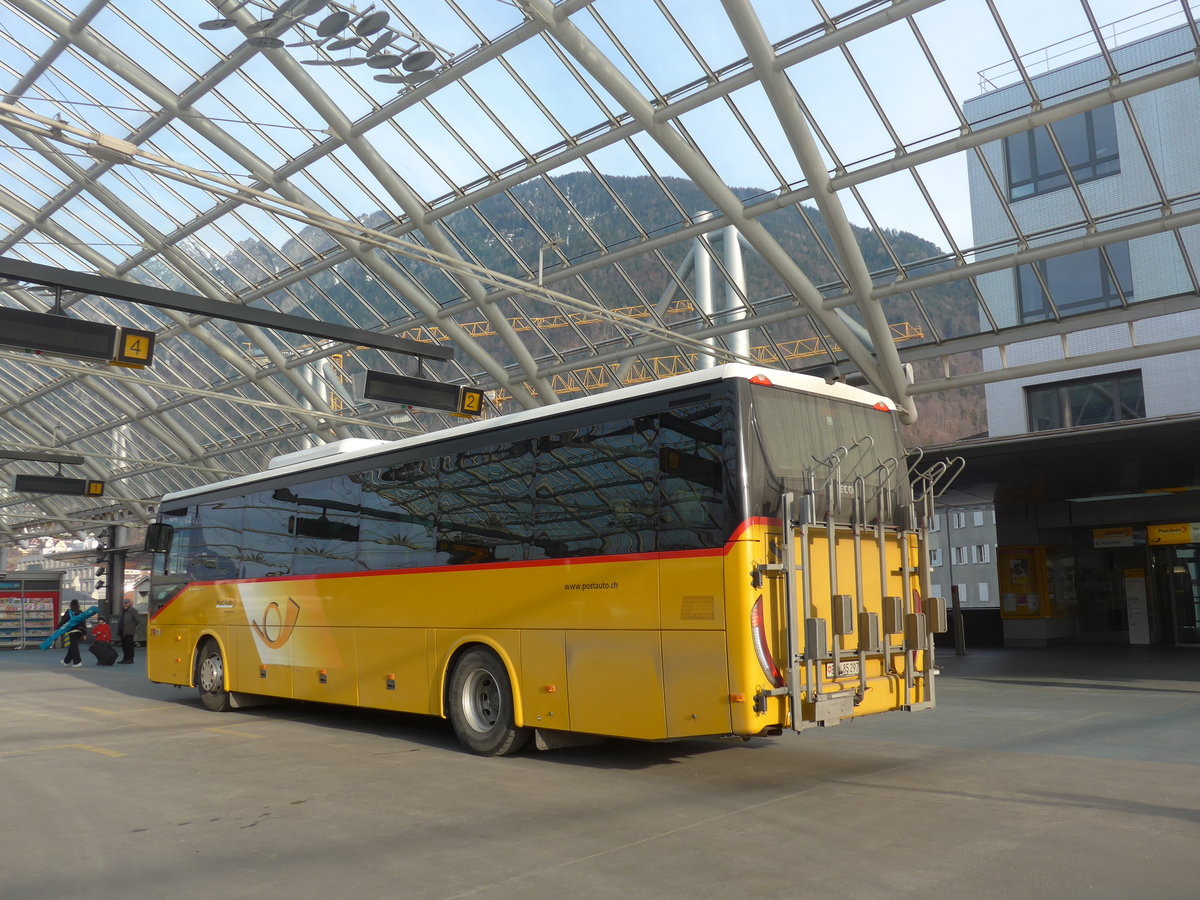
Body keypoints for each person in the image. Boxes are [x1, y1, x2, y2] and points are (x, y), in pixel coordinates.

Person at [59, 599, 86, 668]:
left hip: (72, 631)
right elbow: (83, 623)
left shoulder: (69, 612)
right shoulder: (80, 612)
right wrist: (84, 633)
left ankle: (77, 662)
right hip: (79, 631)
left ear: (71, 605)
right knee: (73, 646)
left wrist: (58, 628)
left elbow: (63, 621)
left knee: (74, 647)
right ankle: (66, 661)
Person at [116, 597, 140, 664]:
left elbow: (137, 621)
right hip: (122, 631)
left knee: (129, 646)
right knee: (124, 646)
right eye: (124, 603)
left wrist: (132, 628)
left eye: (126, 603)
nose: (125, 604)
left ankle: (130, 659)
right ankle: (125, 658)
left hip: (129, 631)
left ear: (130, 603)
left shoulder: (133, 610)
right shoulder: (122, 611)